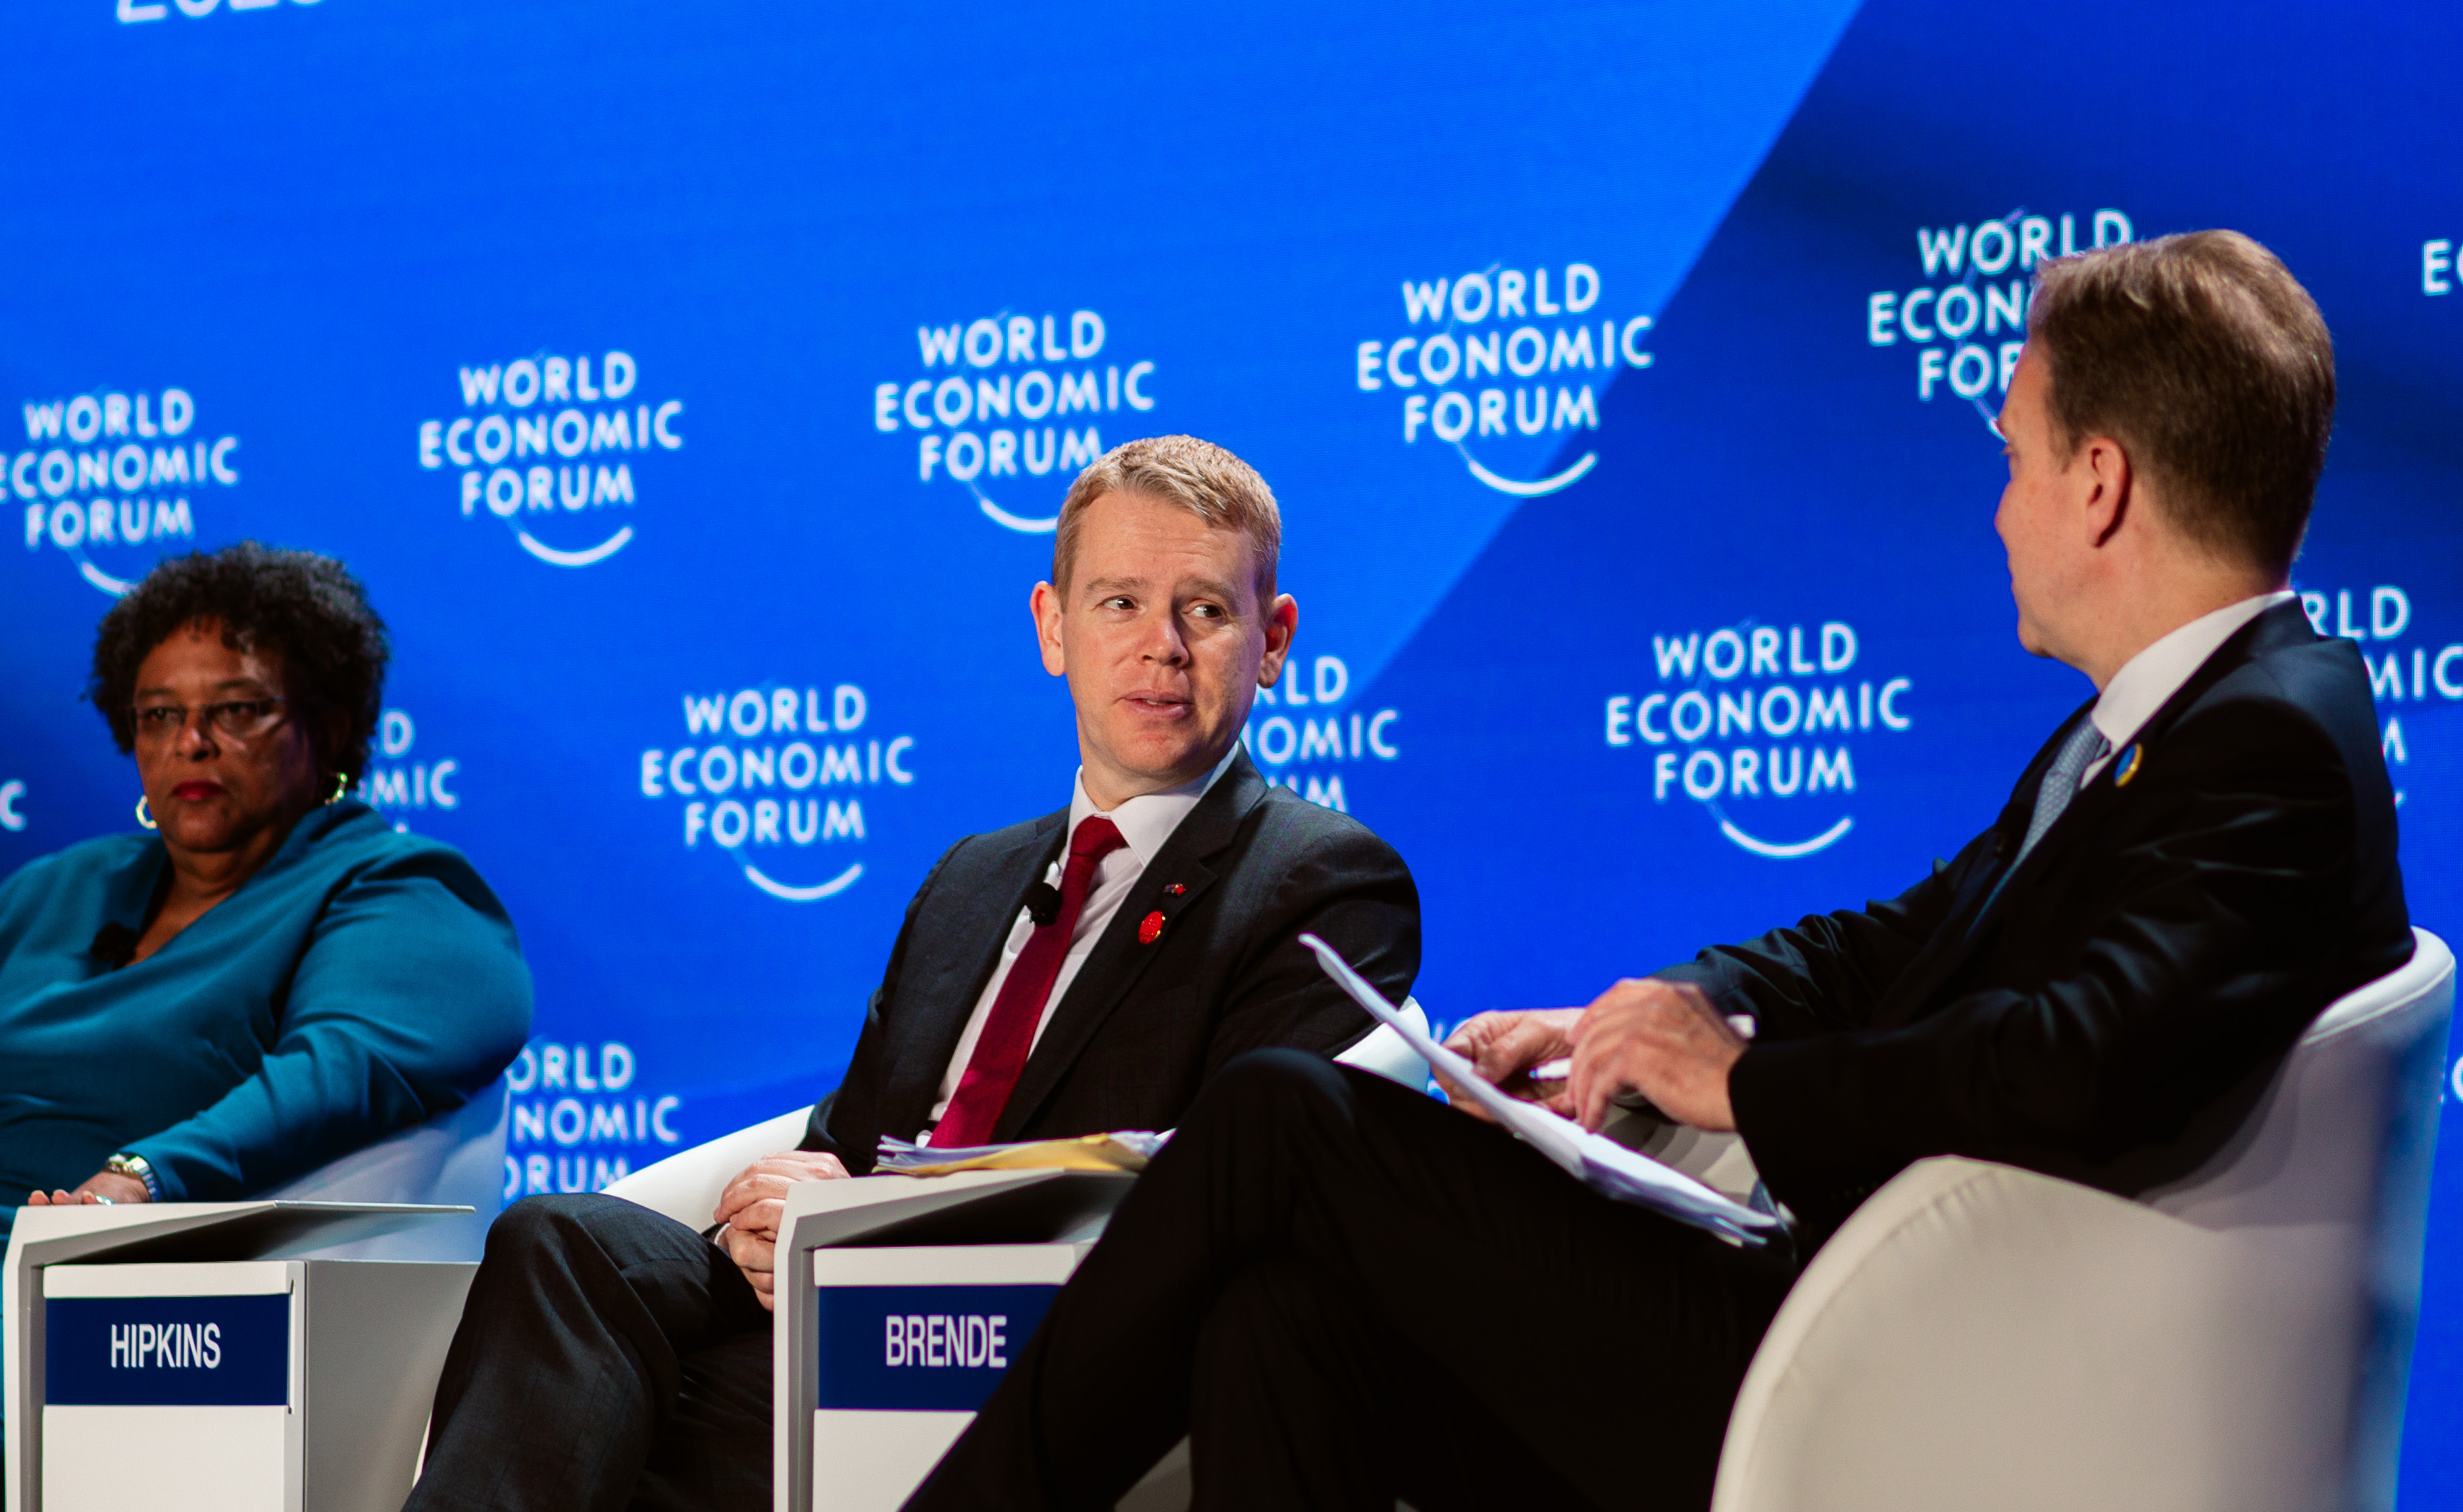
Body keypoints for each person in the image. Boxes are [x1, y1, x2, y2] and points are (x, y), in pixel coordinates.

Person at [907, 230, 2414, 1512]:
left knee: (1280, 1124)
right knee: (1282, 1317)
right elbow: (1890, 944)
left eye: (2011, 460)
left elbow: (2076, 1062)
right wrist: (1640, 1015)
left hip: (1897, 1386)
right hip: (1877, 1325)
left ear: (2097, 484)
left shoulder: (2259, 748)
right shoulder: (2179, 727)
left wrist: (1735, 1087)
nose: (1999, 507)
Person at [406, 435, 1422, 1512]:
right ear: (1053, 629)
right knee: (559, 1241)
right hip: (821, 1315)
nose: (1161, 647)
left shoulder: (1321, 879)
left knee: (609, 1444)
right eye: (1119, 602)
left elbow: (1222, 1192)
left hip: (1021, 1350)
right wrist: (771, 1210)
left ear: (1273, 642)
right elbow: (853, 1138)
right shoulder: (970, 881)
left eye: (1206, 611)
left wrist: (873, 1223)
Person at [0, 543, 532, 1512]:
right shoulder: (54, 892)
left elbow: (343, 1068)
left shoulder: (399, 889)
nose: (193, 742)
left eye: (237, 710)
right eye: (160, 716)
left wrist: (143, 1181)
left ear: (330, 725)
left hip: (99, 1292)